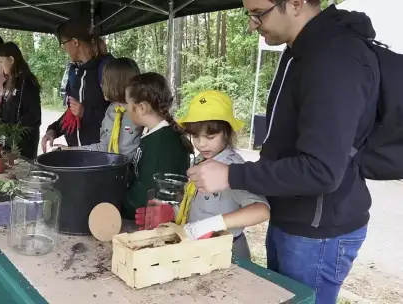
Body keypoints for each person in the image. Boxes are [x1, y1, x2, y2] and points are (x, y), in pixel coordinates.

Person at [188, 1, 379, 302]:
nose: (252, 24)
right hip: (290, 219)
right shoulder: (298, 52)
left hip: (317, 232)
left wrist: (231, 174)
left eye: (258, 13)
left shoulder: (335, 59)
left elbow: (322, 170)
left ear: (295, 3)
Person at [136, 91, 270, 259]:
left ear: (227, 133)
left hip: (229, 252)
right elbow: (192, 200)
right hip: (198, 249)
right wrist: (172, 212)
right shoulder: (200, 160)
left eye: (210, 136)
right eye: (195, 136)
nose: (201, 143)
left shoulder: (234, 167)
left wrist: (213, 224)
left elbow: (262, 211)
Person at [121, 72, 193, 220]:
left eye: (128, 103)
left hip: (151, 222)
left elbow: (148, 192)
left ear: (141, 108)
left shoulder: (162, 144)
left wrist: (119, 206)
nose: (126, 108)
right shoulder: (153, 133)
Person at [41, 18, 113, 152]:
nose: (64, 49)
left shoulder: (106, 69)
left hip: (99, 155)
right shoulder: (75, 72)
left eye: (64, 44)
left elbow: (118, 115)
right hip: (75, 153)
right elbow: (72, 113)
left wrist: (85, 113)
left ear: (75, 42)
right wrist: (53, 130)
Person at [55, 57, 143, 161]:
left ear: (118, 84)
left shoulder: (141, 113)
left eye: (105, 81)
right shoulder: (111, 111)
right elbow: (103, 148)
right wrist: (71, 150)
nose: (101, 85)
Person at [0, 42, 42, 160]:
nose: (0, 66)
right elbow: (3, 107)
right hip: (9, 138)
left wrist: (15, 130)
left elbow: (33, 114)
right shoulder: (8, 82)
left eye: (1, 61)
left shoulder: (27, 82)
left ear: (11, 59)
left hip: (24, 141)